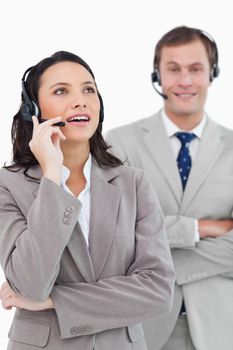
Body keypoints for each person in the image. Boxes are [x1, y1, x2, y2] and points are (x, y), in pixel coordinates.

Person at [0, 51, 175, 350]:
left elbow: (158, 292)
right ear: (33, 110)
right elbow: (30, 284)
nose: (80, 100)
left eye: (88, 89)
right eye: (61, 91)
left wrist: (56, 300)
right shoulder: (8, 186)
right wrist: (52, 177)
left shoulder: (134, 183)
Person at [105, 26, 233, 350]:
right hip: (144, 327)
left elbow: (137, 242)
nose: (185, 81)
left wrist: (150, 266)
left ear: (212, 74)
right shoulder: (119, 144)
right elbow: (115, 234)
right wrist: (199, 228)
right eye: (173, 69)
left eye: (195, 69)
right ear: (157, 76)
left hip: (220, 327)